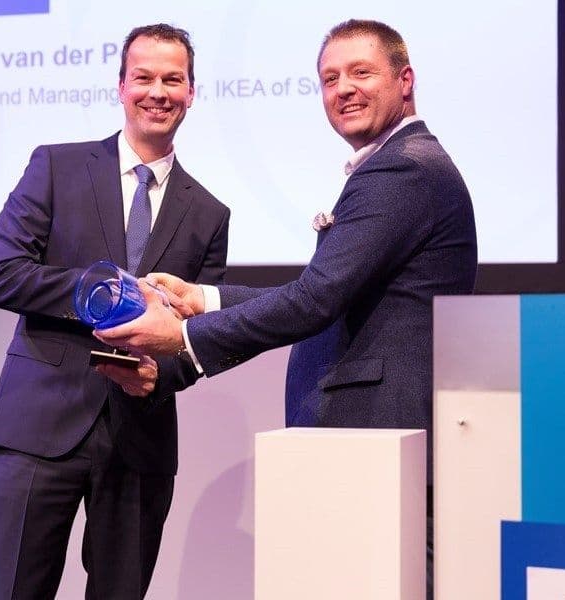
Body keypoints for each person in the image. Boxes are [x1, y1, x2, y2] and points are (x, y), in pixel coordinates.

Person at [95, 19, 477, 599]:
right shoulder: (398, 164)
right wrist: (203, 298)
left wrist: (184, 339)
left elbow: (316, 299)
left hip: (378, 427)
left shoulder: (403, 168)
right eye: (329, 78)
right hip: (368, 433)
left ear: (405, 80)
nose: (342, 88)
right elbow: (324, 289)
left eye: (360, 72)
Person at [0, 23, 229, 600]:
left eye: (173, 79)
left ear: (192, 92)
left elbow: (201, 335)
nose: (157, 91)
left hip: (139, 441)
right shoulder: (56, 167)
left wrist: (158, 373)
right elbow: (1, 273)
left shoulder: (210, 213)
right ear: (121, 86)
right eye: (143, 77)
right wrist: (105, 294)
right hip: (38, 423)